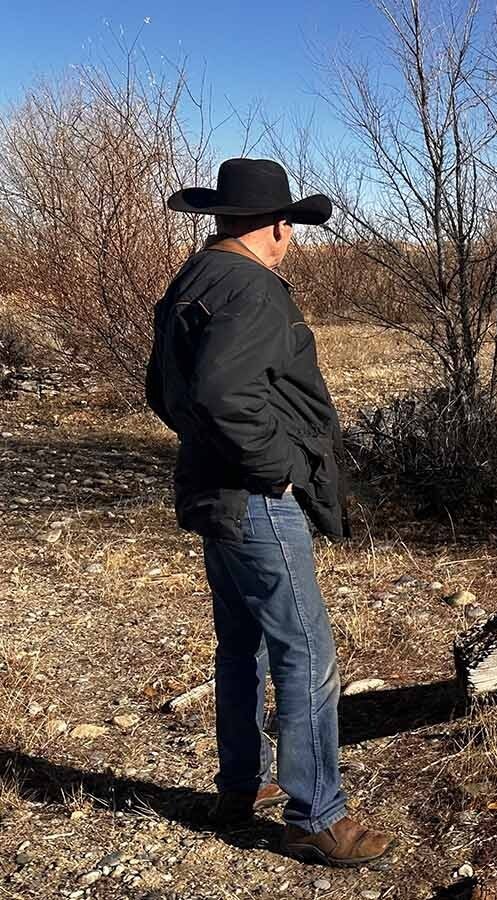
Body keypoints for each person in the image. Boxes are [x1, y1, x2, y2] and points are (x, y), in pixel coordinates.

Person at [146, 158, 394, 867]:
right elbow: (225, 394)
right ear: (281, 226)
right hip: (254, 498)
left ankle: (242, 785)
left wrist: (221, 450)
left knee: (242, 645)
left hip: (210, 488)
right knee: (305, 650)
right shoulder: (252, 287)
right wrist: (277, 468)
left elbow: (165, 392)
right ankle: (316, 815)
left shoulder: (193, 280)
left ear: (224, 218)